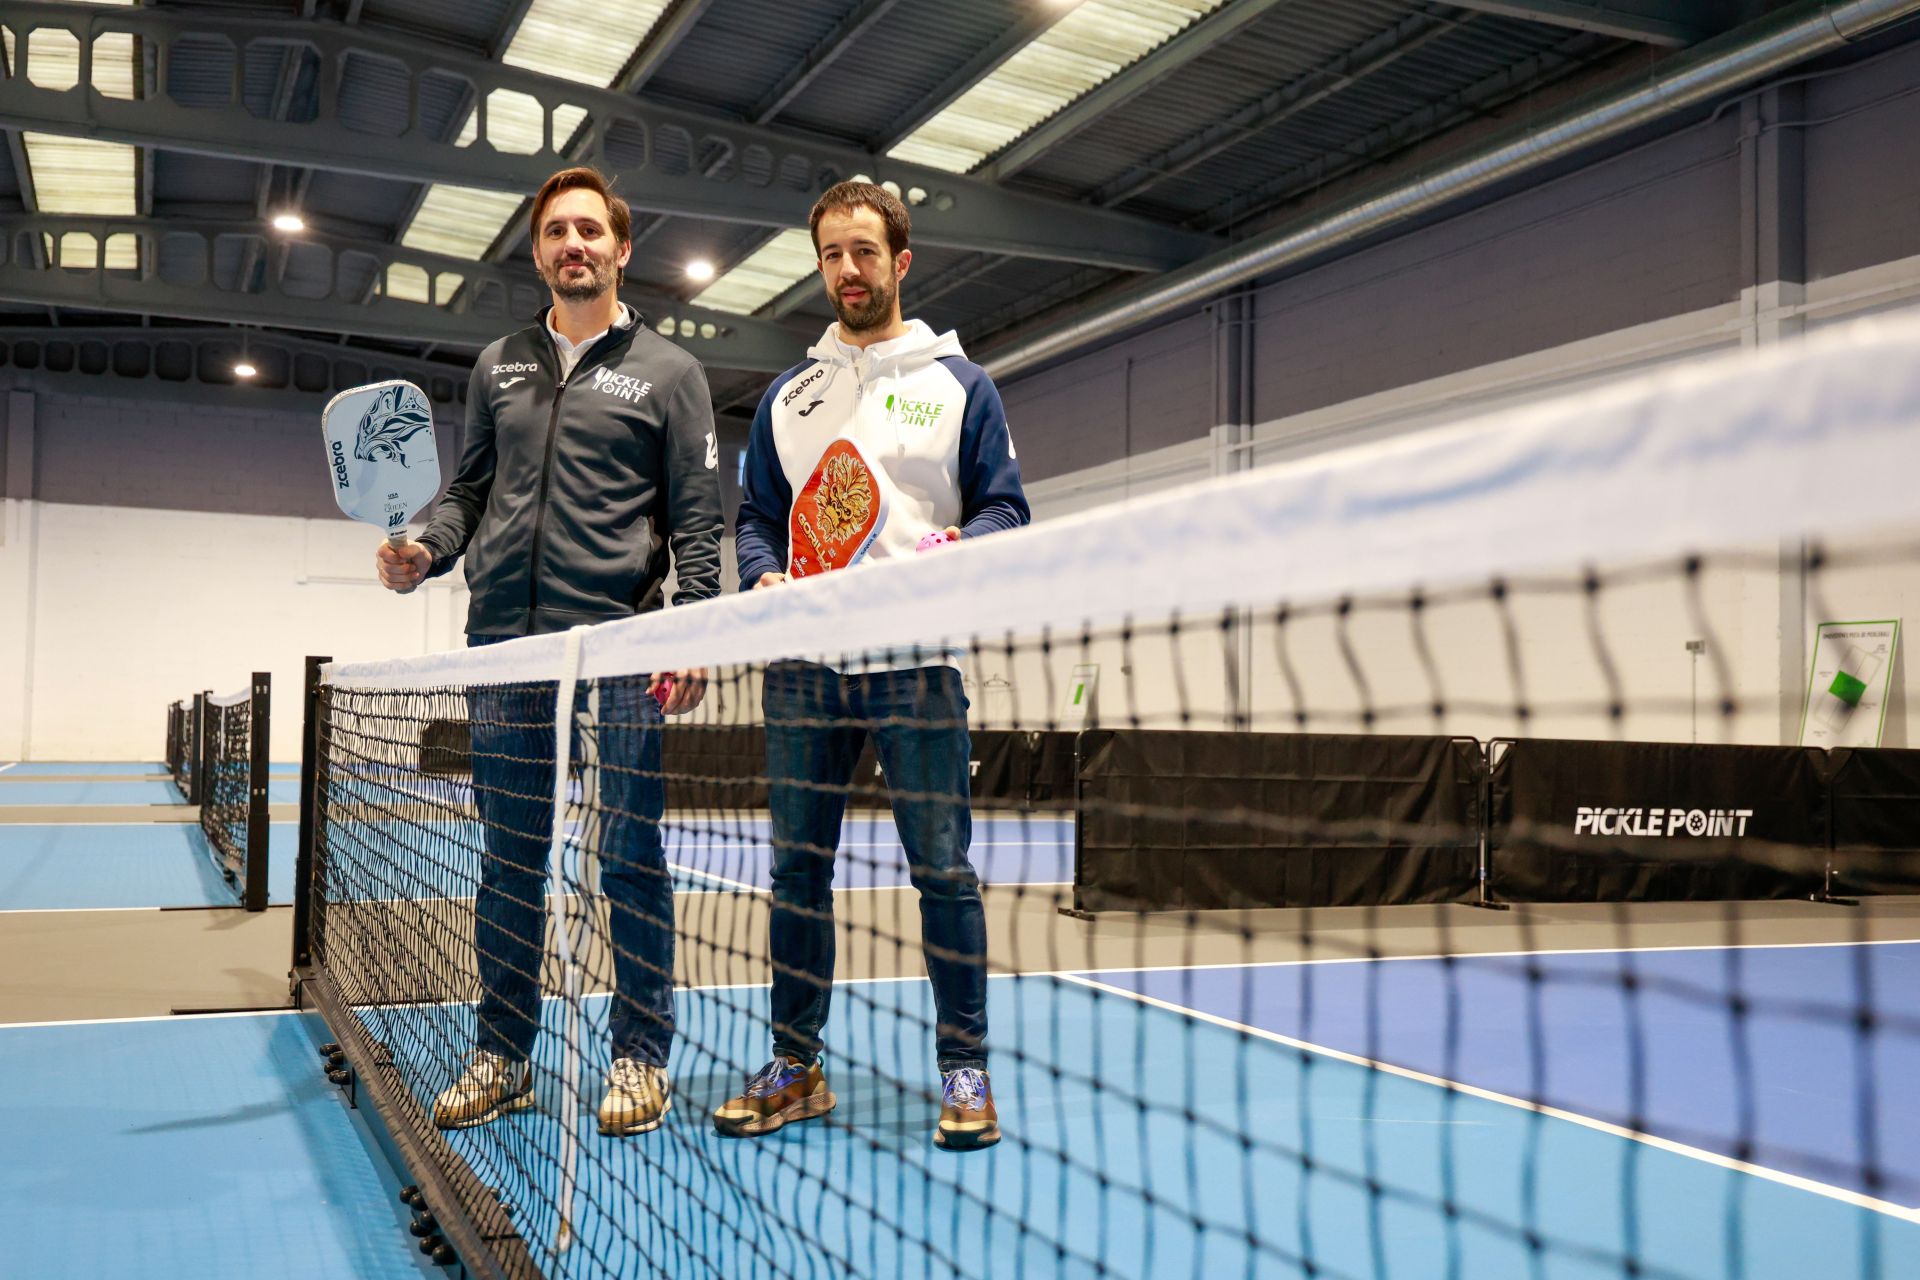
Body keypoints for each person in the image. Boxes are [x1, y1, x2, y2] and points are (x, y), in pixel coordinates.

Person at [375, 165, 721, 1138]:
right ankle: (504, 1052)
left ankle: (641, 1057)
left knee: (630, 855)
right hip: (503, 649)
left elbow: (699, 523)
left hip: (619, 646)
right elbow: (467, 490)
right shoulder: (499, 366)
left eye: (590, 230)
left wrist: (692, 626)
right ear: (537, 251)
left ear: (620, 247)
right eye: (557, 231)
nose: (574, 244)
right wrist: (427, 548)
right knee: (508, 859)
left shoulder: (671, 373)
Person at [721, 180, 1030, 1152]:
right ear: (818, 265)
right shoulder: (789, 396)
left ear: (900, 262)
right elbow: (756, 520)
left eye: (864, 251)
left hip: (916, 660)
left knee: (942, 869)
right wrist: (764, 575)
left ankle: (965, 1067)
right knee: (794, 871)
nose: (846, 270)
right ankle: (796, 1063)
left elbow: (1007, 510)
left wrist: (956, 550)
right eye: (830, 254)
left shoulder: (960, 385)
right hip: (804, 668)